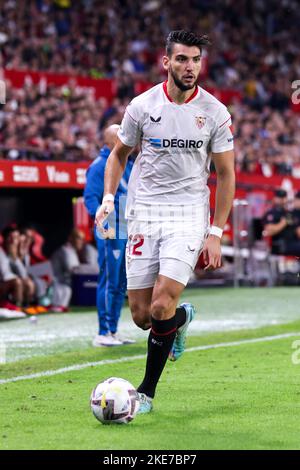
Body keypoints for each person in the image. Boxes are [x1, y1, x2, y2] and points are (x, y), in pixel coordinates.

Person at [95, 30, 235, 413]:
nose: (190, 67)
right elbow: (118, 156)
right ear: (166, 62)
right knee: (142, 316)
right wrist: (108, 199)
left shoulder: (215, 113)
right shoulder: (142, 106)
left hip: (188, 216)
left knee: (160, 306)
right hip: (145, 214)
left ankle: (146, 393)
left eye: (196, 60)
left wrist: (216, 231)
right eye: (182, 60)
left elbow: (226, 175)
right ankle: (182, 318)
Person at [84, 124, 134, 347]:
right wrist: (102, 223)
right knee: (109, 279)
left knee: (121, 282)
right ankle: (102, 332)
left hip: (126, 227)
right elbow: (90, 199)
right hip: (110, 227)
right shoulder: (99, 166)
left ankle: (113, 330)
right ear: (112, 141)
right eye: (121, 137)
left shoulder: (128, 164)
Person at [262, 189, 296, 255]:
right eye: (279, 197)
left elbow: (294, 228)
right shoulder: (270, 213)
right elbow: (268, 231)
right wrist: (282, 223)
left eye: (283, 197)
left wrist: (276, 227)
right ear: (275, 198)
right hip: (278, 244)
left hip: (290, 242)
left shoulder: (289, 213)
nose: (281, 200)